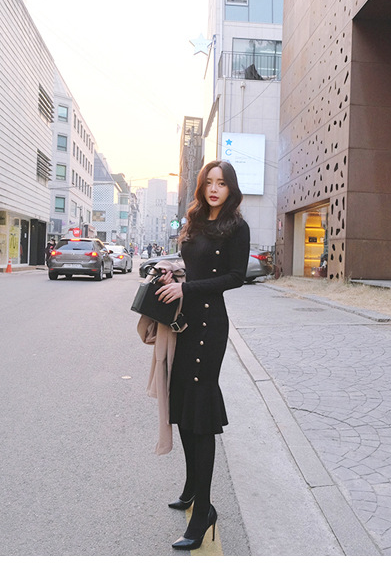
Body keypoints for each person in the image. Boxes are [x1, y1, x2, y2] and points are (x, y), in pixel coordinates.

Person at [155, 160, 250, 550]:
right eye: (209, 182)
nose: (214, 189)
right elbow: (192, 267)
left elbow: (235, 277)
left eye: (221, 183)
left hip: (210, 326)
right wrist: (174, 276)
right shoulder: (194, 220)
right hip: (185, 322)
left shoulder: (236, 227)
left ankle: (204, 512)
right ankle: (193, 488)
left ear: (231, 189)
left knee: (201, 415)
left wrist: (187, 289)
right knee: (182, 406)